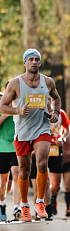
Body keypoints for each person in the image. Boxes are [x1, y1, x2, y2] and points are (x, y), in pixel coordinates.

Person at [0, 48, 61, 222]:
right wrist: (17, 110)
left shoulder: (48, 82)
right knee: (24, 171)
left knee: (42, 161)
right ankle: (25, 206)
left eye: (37, 59)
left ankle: (40, 202)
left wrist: (55, 112)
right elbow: (2, 106)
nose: (34, 62)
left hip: (42, 127)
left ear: (40, 63)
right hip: (23, 131)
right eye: (31, 59)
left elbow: (57, 98)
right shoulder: (15, 83)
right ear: (25, 62)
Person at [0, 89, 21, 221]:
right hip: (2, 148)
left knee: (16, 174)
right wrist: (6, 113)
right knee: (3, 182)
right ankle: (2, 204)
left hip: (16, 146)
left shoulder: (16, 108)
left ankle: (16, 207)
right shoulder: (6, 111)